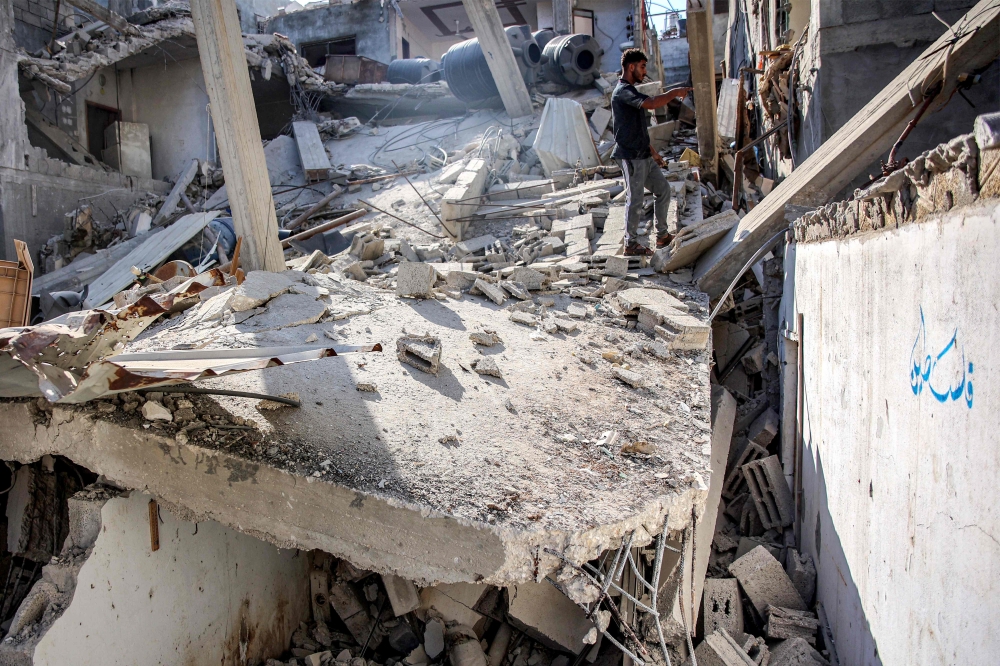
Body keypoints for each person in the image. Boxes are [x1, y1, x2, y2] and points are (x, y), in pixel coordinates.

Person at [611, 48, 692, 256]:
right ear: (631, 67)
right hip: (630, 156)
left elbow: (637, 129)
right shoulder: (623, 92)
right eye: (642, 66)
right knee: (635, 199)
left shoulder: (632, 91)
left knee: (663, 190)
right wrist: (675, 93)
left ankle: (662, 235)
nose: (644, 71)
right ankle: (630, 244)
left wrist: (654, 153)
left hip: (643, 155)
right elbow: (653, 103)